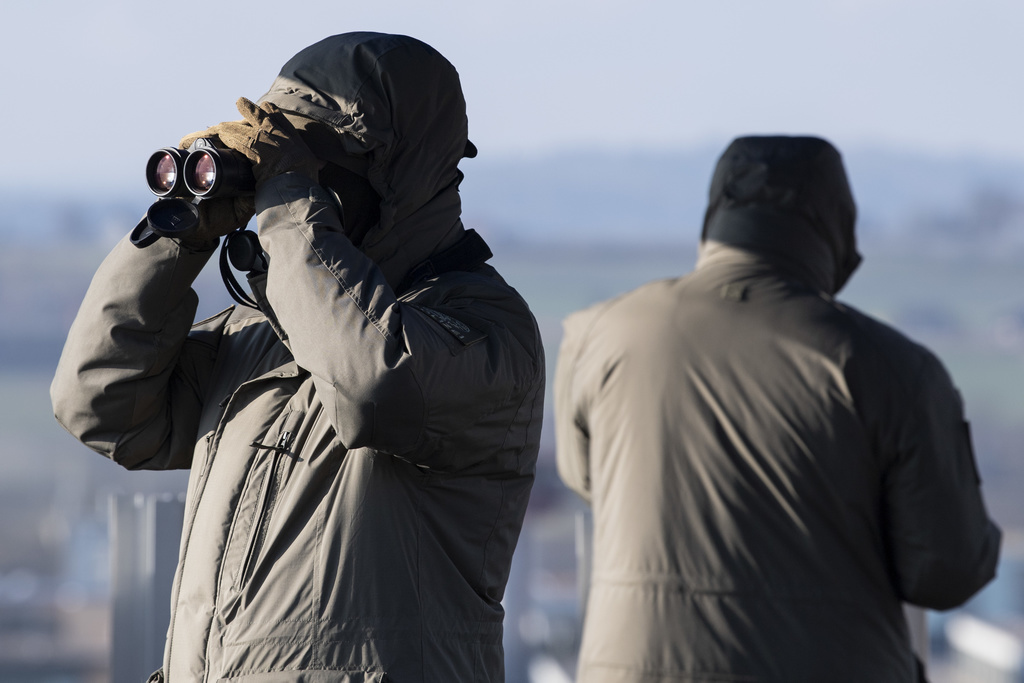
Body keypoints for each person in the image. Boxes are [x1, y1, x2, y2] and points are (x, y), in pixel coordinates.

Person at [51, 32, 545, 683]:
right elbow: (101, 403)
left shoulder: (484, 329)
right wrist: (180, 228)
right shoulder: (260, 332)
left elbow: (374, 381)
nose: (276, 195)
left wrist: (291, 205)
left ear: (397, 174)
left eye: (315, 167)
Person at [554, 135, 1000, 682]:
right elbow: (947, 570)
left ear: (715, 213)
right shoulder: (889, 368)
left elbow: (589, 482)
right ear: (837, 227)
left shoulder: (597, 336)